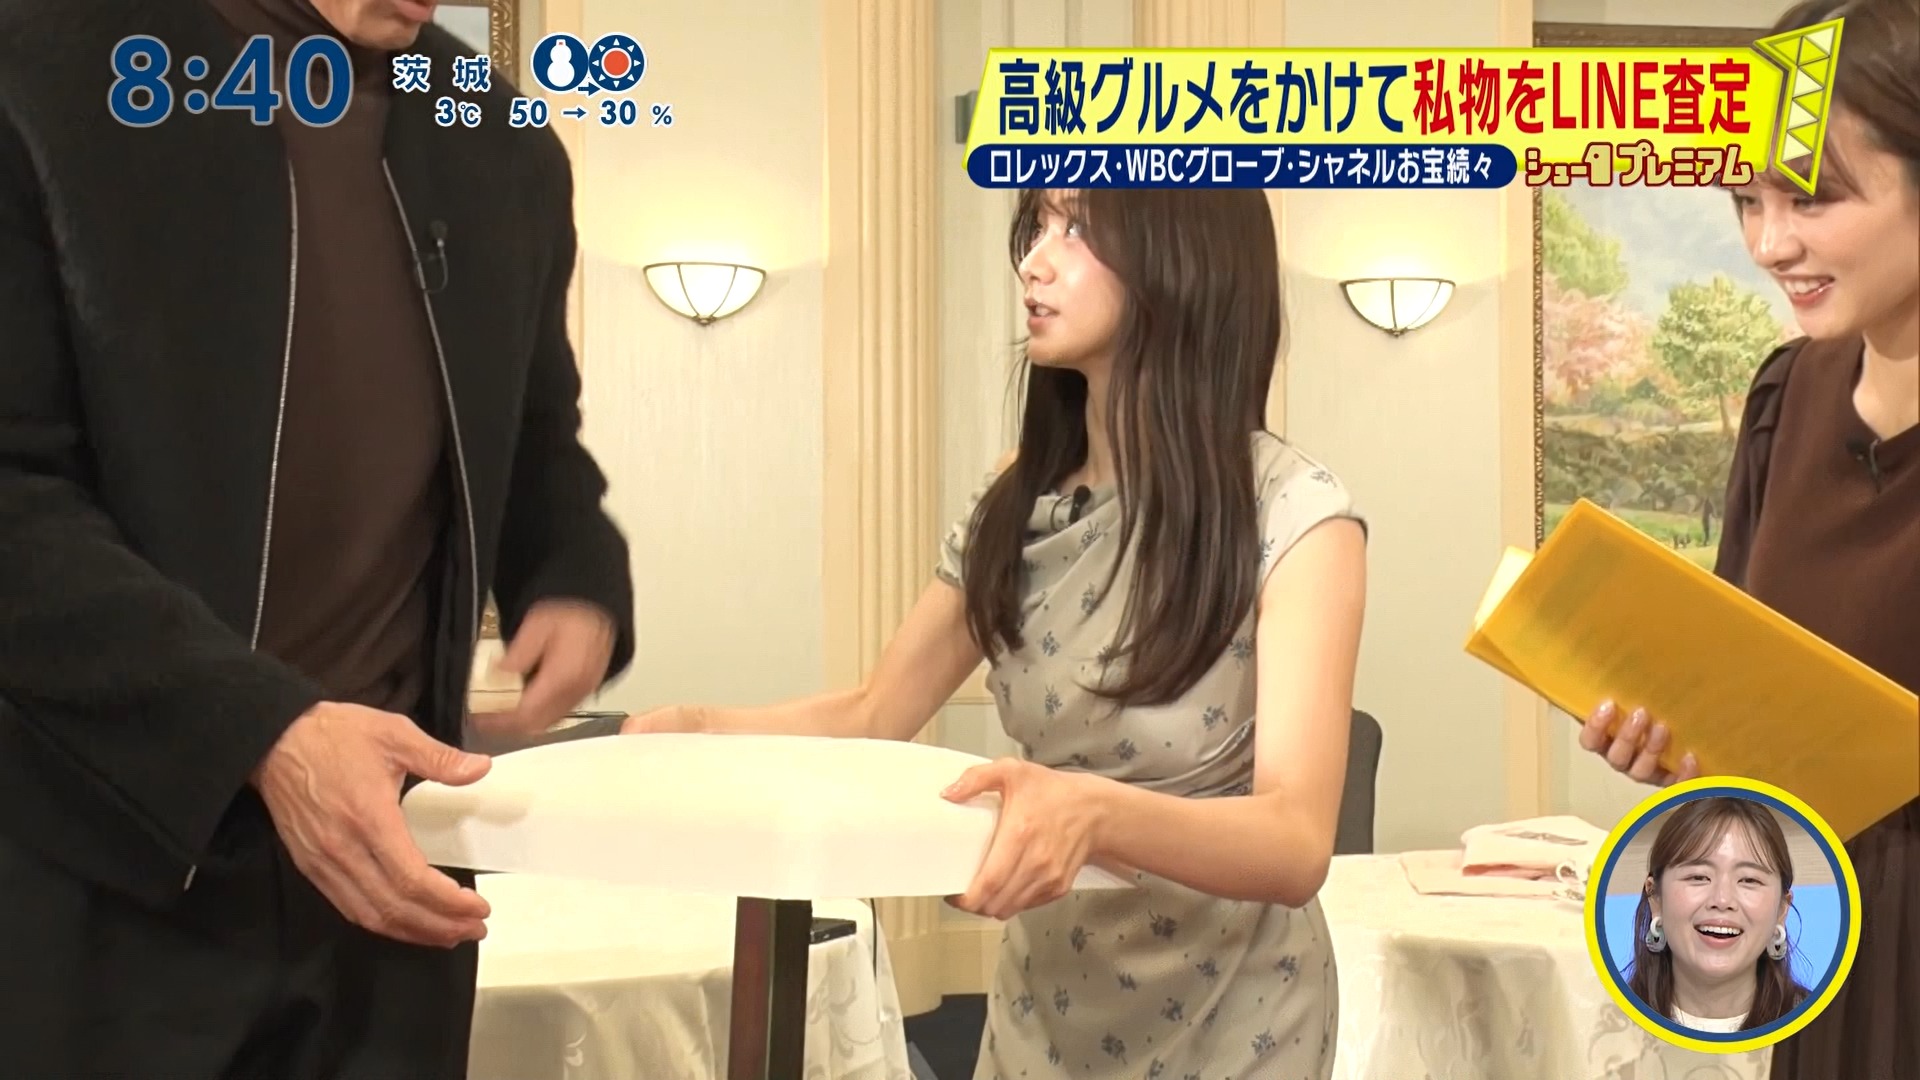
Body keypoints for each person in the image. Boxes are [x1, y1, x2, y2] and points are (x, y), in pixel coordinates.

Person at [0, 0, 635, 1076]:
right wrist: (265, 730)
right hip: (96, 873)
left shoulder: (500, 138)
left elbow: (537, 437)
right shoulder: (38, 66)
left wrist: (573, 572)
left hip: (390, 874)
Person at [624, 186, 1367, 1080]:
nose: (1033, 263)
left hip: (1239, 1019)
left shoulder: (1295, 513)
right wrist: (701, 729)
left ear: (1184, 258)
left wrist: (1091, 814)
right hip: (1046, 1004)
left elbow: (1294, 840)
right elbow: (874, 714)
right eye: (1036, 228)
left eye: (1077, 230)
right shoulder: (1017, 500)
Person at [1579, 0, 1918, 1072]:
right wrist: (1683, 748)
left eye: (1813, 195)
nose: (1772, 243)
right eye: (1747, 199)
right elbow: (1750, 694)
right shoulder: (1788, 397)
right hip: (1833, 937)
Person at [1625, 798, 1810, 1033]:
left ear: (1782, 909)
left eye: (1749, 880)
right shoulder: (1606, 1022)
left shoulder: (1821, 1028)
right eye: (1698, 877)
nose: (1722, 900)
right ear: (1655, 898)